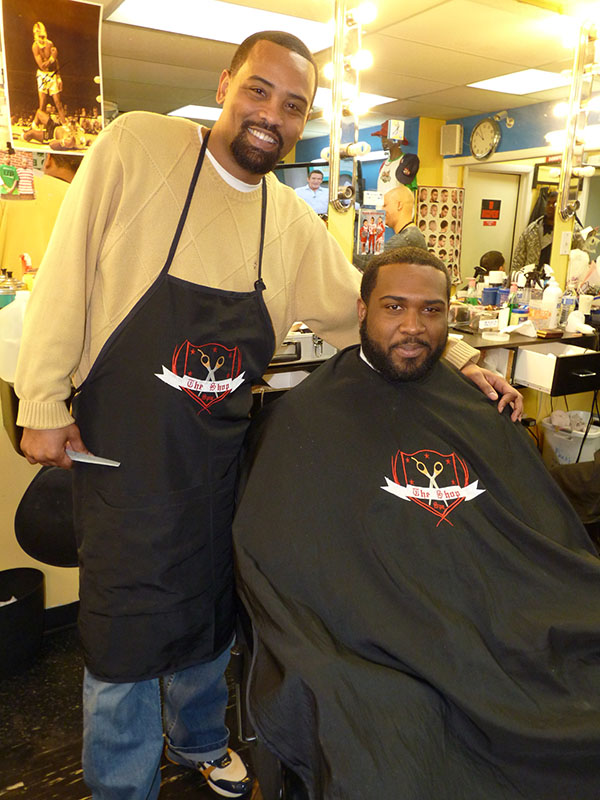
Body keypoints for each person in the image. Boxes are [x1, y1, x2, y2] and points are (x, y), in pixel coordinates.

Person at [15, 31, 520, 800]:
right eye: (259, 91)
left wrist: (463, 363)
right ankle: (121, 787)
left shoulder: (286, 220)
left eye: (294, 107)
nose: (271, 116)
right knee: (124, 630)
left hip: (219, 457)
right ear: (225, 85)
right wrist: (42, 400)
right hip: (126, 452)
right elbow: (66, 274)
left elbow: (363, 312)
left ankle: (200, 742)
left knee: (214, 608)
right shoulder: (137, 147)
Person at [234, 246, 600, 800]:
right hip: (376, 616)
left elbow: (525, 522)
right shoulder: (307, 417)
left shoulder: (473, 403)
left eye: (431, 311)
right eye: (394, 307)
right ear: (361, 311)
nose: (412, 326)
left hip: (494, 600)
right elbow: (291, 551)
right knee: (390, 731)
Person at [31, 22, 67, 126]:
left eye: (42, 35)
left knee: (58, 103)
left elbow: (56, 62)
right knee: (42, 104)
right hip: (42, 75)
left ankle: (65, 125)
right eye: (38, 35)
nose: (41, 37)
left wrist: (59, 77)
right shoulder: (35, 47)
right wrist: (52, 58)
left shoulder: (50, 44)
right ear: (35, 35)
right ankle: (34, 125)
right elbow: (42, 66)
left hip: (52, 75)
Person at [381, 185, 426, 250]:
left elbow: (372, 259)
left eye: (385, 205)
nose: (382, 210)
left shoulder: (406, 238)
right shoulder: (412, 234)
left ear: (399, 205)